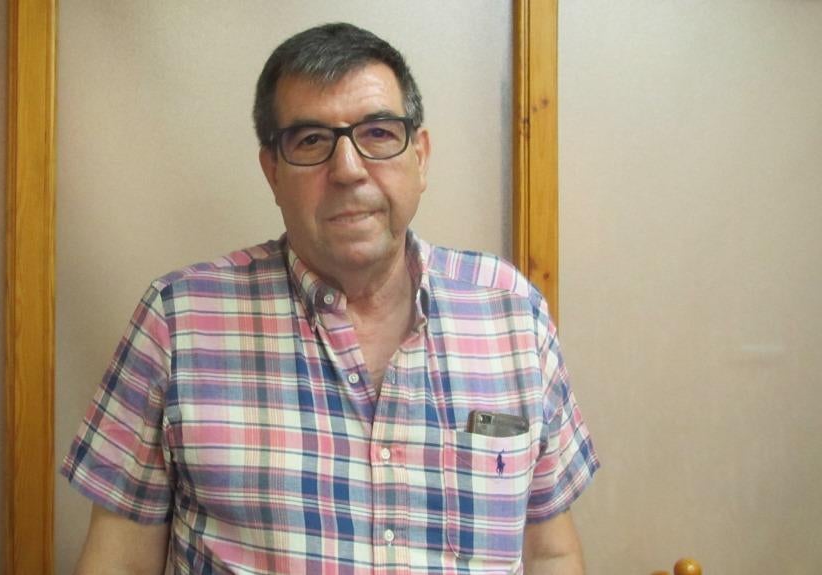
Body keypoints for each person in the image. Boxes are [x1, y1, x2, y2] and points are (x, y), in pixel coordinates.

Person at [62, 22, 599, 575]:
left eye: (379, 133)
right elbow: (119, 561)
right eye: (312, 141)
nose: (347, 170)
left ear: (420, 156)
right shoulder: (178, 322)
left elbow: (550, 551)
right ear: (272, 171)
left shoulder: (512, 313)